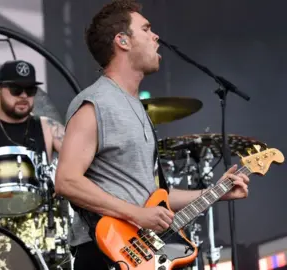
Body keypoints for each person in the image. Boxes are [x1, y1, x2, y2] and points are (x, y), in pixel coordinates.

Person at [54, 1, 250, 269]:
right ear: (122, 41)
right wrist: (137, 214)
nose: (155, 36)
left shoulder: (136, 107)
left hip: (143, 254)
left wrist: (217, 191)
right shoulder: (95, 102)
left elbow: (159, 197)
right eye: (146, 28)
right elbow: (66, 180)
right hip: (106, 253)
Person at [0, 59, 65, 221]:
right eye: (16, 89)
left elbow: (79, 161)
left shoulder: (48, 127)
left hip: (40, 226)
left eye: (30, 90)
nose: (23, 96)